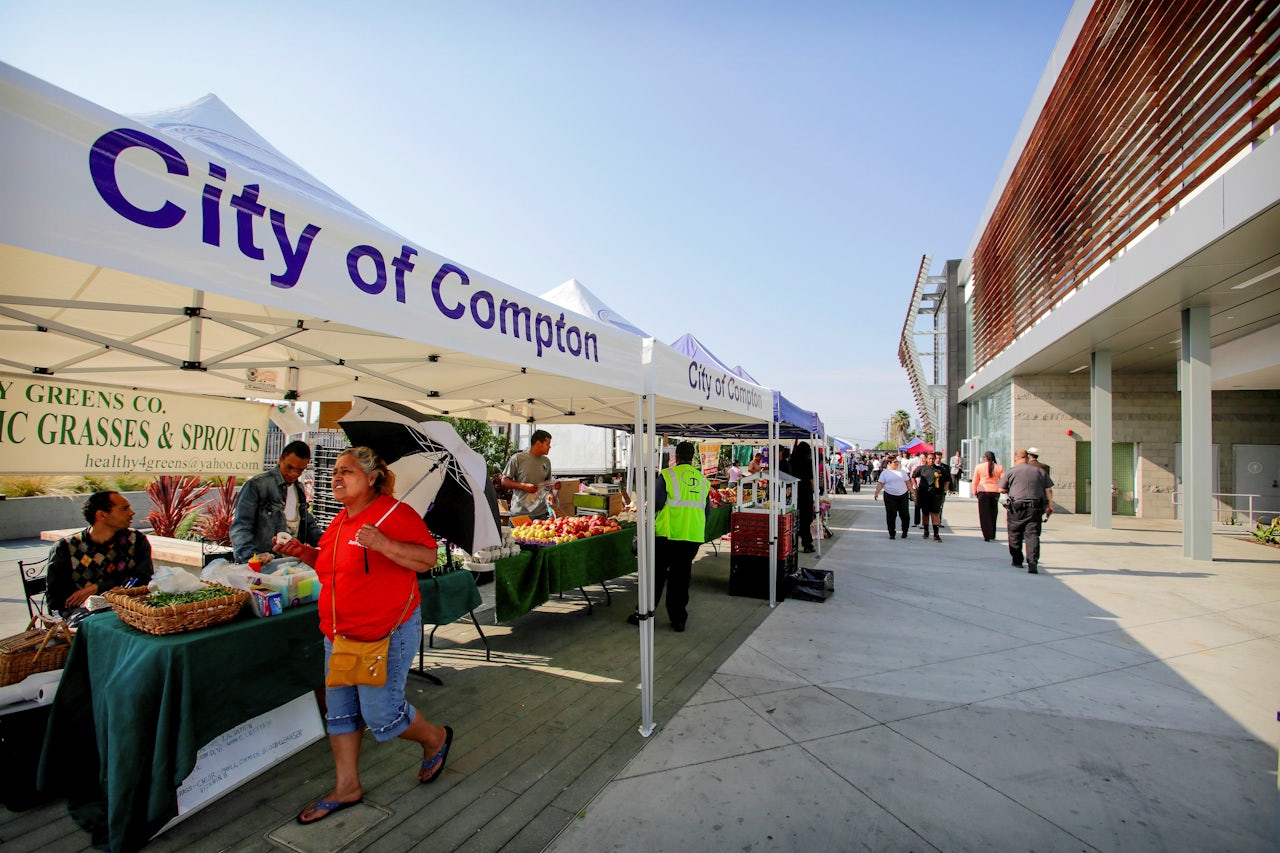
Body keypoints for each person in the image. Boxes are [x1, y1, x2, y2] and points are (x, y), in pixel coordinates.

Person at [277, 446, 453, 824]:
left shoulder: (394, 514)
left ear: (372, 478)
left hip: (385, 632)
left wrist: (384, 543)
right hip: (340, 636)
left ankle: (435, 737)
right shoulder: (340, 521)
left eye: (348, 471)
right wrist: (302, 552)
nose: (336, 477)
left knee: (383, 716)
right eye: (336, 472)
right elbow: (331, 569)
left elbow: (427, 559)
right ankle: (347, 787)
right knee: (339, 713)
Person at [628, 441, 709, 632]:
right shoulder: (703, 480)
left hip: (668, 534)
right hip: (692, 536)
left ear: (676, 457)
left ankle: (644, 613)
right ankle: (678, 619)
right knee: (681, 578)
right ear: (692, 458)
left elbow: (655, 503)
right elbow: (707, 511)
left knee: (656, 576)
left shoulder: (668, 475)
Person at [46, 491, 154, 616]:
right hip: (84, 616)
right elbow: (56, 598)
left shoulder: (136, 540)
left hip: (129, 608)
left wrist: (97, 587)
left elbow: (142, 578)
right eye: (124, 508)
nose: (132, 512)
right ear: (101, 515)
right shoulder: (66, 547)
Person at [231, 440, 323, 562]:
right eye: (289, 467)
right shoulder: (257, 485)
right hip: (263, 564)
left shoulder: (299, 488)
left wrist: (328, 545)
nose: (293, 474)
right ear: (280, 460)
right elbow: (241, 527)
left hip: (291, 565)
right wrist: (251, 558)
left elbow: (307, 523)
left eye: (300, 470)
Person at [998, 449, 1055, 573]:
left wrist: (1007, 495)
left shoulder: (1011, 472)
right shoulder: (1040, 471)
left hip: (1016, 507)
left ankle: (1017, 560)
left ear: (1015, 458)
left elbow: (1001, 489)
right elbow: (1049, 489)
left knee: (1014, 534)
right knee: (1033, 534)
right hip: (1035, 508)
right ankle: (1033, 562)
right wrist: (1050, 505)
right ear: (1027, 458)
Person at [500, 429, 553, 519]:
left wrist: (550, 493)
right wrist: (523, 486)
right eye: (547, 444)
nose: (550, 447)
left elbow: (548, 483)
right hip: (520, 513)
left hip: (541, 514)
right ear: (538, 443)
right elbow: (504, 481)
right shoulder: (517, 458)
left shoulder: (546, 461)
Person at [912, 451, 952, 541]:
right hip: (924, 493)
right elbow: (913, 476)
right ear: (926, 459)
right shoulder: (921, 468)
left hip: (936, 494)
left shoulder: (940, 469)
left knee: (935, 513)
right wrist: (915, 486)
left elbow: (948, 479)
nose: (931, 460)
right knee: (925, 513)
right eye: (929, 458)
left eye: (933, 459)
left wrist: (945, 488)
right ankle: (926, 531)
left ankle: (936, 533)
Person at [873, 456, 914, 539]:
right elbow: (881, 484)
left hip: (902, 495)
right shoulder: (885, 473)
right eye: (894, 462)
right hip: (890, 495)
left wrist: (912, 492)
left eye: (897, 462)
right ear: (889, 463)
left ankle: (905, 530)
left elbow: (908, 482)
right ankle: (892, 532)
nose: (896, 464)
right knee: (891, 514)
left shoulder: (902, 472)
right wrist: (876, 493)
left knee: (905, 514)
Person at [972, 451, 1005, 542]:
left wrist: (974, 491)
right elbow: (1003, 480)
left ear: (985, 458)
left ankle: (986, 534)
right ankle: (992, 533)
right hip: (995, 491)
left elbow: (975, 480)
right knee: (993, 513)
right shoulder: (999, 467)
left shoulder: (979, 467)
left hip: (983, 491)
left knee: (984, 514)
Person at [791, 441, 817, 553]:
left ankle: (793, 544)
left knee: (795, 518)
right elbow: (811, 479)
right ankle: (807, 544)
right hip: (806, 492)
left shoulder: (793, 460)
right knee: (806, 518)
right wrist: (814, 490)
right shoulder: (809, 461)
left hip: (794, 490)